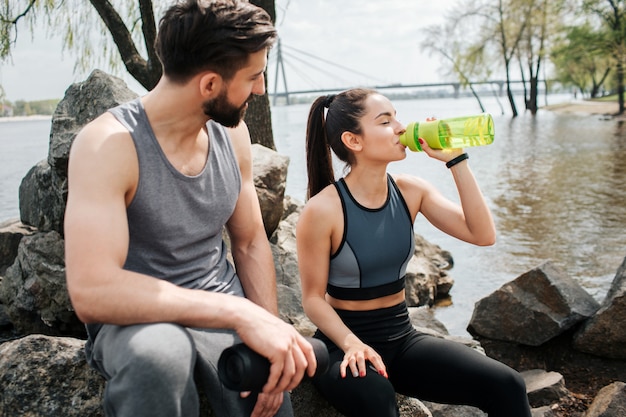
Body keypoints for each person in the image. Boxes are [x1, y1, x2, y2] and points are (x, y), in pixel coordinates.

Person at [63, 1, 317, 417]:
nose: (261, 89)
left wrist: (267, 326)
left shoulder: (231, 137)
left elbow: (251, 241)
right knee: (160, 355)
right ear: (210, 84)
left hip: (221, 309)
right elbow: (93, 290)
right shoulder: (108, 145)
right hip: (139, 323)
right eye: (253, 77)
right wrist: (236, 311)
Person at [296, 88, 532, 417]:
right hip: (341, 347)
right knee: (379, 399)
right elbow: (312, 299)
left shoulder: (411, 191)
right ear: (354, 140)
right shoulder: (322, 210)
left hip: (402, 340)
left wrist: (456, 158)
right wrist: (351, 343)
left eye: (397, 117)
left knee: (507, 384)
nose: (400, 128)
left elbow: (482, 234)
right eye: (385, 121)